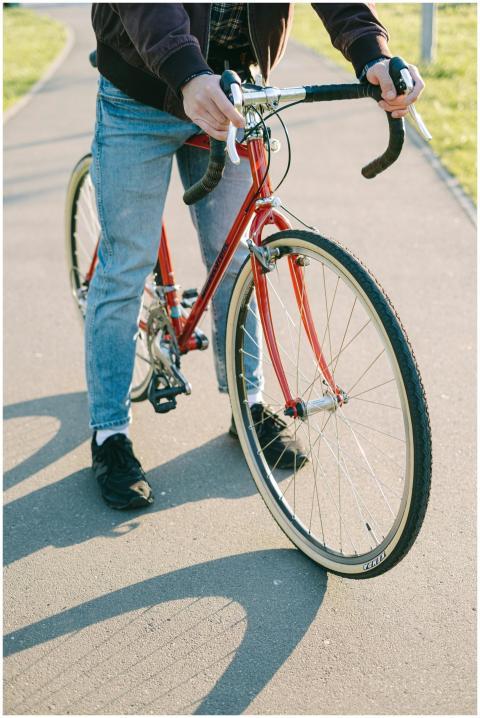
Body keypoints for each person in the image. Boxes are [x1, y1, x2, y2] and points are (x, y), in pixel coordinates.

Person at [88, 3, 424, 510]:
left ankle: (247, 404)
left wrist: (370, 54)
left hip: (233, 92)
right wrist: (186, 71)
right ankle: (109, 434)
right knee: (125, 268)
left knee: (241, 265)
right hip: (141, 90)